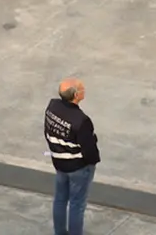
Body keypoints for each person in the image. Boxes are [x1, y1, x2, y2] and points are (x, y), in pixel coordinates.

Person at [44, 78, 100, 235]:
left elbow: (47, 131)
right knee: (77, 204)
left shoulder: (52, 107)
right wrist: (92, 162)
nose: (84, 91)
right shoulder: (81, 120)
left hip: (59, 162)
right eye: (82, 89)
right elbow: (89, 150)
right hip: (78, 167)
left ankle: (60, 232)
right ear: (76, 95)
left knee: (60, 199)